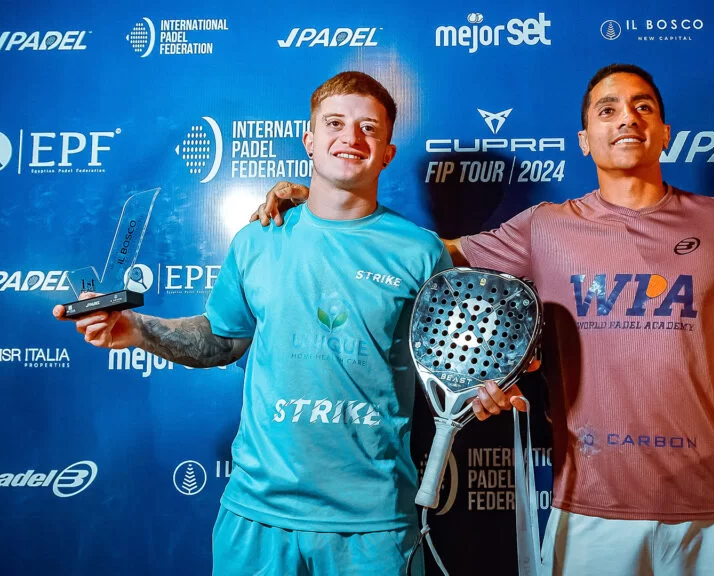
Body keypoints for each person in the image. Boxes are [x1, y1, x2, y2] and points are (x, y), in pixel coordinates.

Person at [252, 63, 714, 575]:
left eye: (643, 107)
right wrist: (323, 201)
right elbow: (417, 253)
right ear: (585, 139)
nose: (627, 119)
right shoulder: (546, 227)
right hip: (589, 505)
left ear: (665, 132)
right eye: (608, 109)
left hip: (712, 505)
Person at [54, 71, 456, 576]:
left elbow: (453, 366)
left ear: (387, 152)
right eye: (335, 123)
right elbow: (223, 340)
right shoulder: (257, 239)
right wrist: (135, 330)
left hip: (373, 524)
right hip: (257, 515)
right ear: (309, 140)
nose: (351, 137)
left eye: (368, 128)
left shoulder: (420, 252)